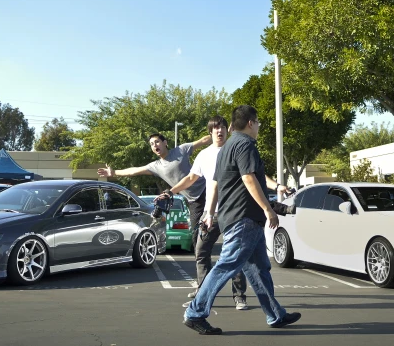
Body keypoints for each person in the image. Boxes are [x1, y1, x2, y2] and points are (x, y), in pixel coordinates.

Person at [183, 105, 301, 335]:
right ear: (250, 123)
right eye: (257, 122)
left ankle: (275, 314)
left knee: (259, 269)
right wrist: (268, 209)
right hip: (243, 219)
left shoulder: (226, 147)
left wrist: (211, 213)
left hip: (237, 218)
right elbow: (248, 178)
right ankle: (195, 313)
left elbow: (216, 182)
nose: (258, 127)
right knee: (226, 265)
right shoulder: (245, 144)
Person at [162, 116, 251, 310]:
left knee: (234, 255)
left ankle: (239, 296)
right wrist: (170, 191)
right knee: (201, 251)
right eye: (215, 128)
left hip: (233, 213)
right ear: (210, 132)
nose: (219, 131)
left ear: (228, 130)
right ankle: (203, 292)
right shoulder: (204, 155)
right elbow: (191, 178)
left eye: (222, 128)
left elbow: (250, 177)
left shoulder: (236, 149)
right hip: (210, 213)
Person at [97, 131, 212, 252]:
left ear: (165, 143)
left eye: (157, 142)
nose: (155, 145)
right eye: (152, 144)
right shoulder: (156, 166)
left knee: (218, 222)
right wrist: (114, 173)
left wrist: (221, 135)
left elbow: (203, 141)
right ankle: (204, 264)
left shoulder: (181, 150)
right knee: (197, 236)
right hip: (193, 201)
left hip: (207, 189)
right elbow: (134, 171)